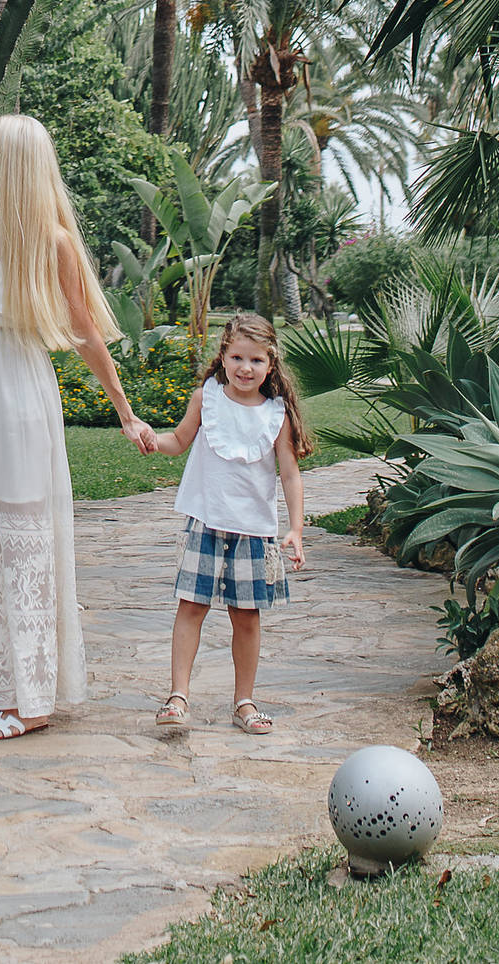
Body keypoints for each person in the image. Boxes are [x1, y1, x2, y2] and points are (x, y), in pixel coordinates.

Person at [0, 116, 151, 742]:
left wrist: (124, 410)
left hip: (19, 401)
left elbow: (85, 333)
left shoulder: (53, 241)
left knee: (22, 546)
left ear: (10, 162)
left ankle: (32, 698)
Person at [144, 309, 311, 736]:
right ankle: (178, 695)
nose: (245, 368)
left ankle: (244, 701)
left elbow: (289, 473)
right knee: (192, 607)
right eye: (237, 358)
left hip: (254, 531)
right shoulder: (208, 398)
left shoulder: (276, 413)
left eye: (256, 360)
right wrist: (152, 441)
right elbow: (179, 440)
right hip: (207, 521)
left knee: (247, 617)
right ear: (223, 356)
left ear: (270, 364)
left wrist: (295, 528)